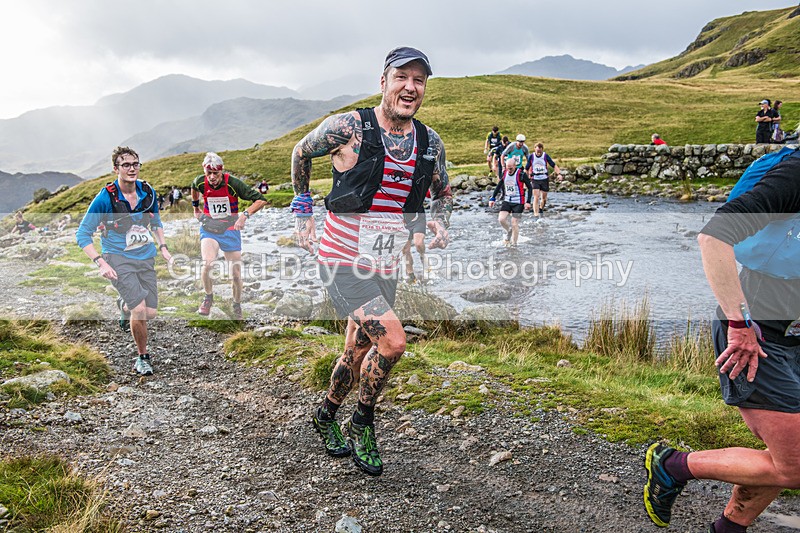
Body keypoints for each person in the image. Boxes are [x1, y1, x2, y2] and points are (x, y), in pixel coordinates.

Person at [292, 46, 451, 476]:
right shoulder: (349, 127)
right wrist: (303, 208)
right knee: (393, 342)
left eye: (419, 80)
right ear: (383, 82)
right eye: (402, 77)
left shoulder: (429, 141)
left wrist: (438, 223)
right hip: (340, 259)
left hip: (383, 263)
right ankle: (363, 423)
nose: (410, 87)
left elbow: (442, 193)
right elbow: (299, 153)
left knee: (357, 350)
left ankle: (325, 415)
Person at [643, 147, 800, 532]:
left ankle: (729, 528)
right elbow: (714, 236)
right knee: (794, 465)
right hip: (757, 338)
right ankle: (673, 465)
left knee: (784, 453)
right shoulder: (794, 176)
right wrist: (740, 323)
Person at [75, 146, 172, 376]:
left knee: (150, 312)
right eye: (126, 164)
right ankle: (142, 357)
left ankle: (124, 305)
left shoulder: (148, 192)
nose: (132, 168)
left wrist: (164, 248)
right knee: (139, 309)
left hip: (145, 255)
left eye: (135, 163)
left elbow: (156, 222)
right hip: (117, 257)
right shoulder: (105, 198)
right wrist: (101, 262)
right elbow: (82, 234)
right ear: (115, 168)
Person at [191, 152, 268, 320]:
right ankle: (208, 298)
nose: (212, 177)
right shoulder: (200, 181)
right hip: (209, 228)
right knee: (207, 263)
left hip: (230, 228)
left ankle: (236, 304)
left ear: (222, 171)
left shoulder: (233, 183)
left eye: (215, 173)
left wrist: (244, 216)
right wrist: (195, 207)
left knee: (236, 274)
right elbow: (194, 187)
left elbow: (260, 200)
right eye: (208, 173)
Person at [489, 157, 531, 246]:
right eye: (508, 168)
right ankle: (509, 231)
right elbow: (499, 185)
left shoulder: (521, 174)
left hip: (519, 202)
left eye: (511, 168)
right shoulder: (505, 173)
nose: (509, 170)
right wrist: (492, 198)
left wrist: (528, 201)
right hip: (507, 201)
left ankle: (514, 244)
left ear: (515, 166)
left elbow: (530, 187)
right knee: (501, 219)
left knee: (514, 222)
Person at [525, 142, 562, 219]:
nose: (538, 153)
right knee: (536, 196)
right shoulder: (531, 156)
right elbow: (526, 168)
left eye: (539, 151)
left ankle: (541, 208)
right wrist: (526, 179)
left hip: (544, 178)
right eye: (537, 151)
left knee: (544, 198)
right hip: (535, 178)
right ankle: (536, 214)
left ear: (542, 150)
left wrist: (559, 174)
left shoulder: (545, 156)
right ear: (535, 149)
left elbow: (553, 165)